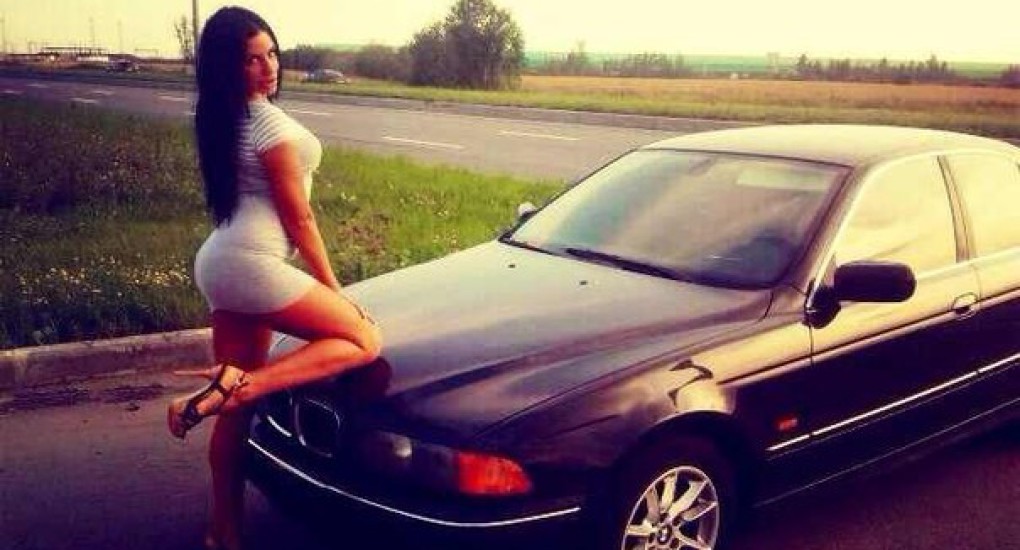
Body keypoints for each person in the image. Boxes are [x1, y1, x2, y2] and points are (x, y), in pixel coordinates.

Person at [166, 7, 382, 550]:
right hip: (250, 263)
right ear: (228, 67)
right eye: (251, 60)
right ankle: (237, 385)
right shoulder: (268, 125)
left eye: (271, 54)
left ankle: (224, 533)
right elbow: (300, 219)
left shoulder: (226, 118)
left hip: (223, 261)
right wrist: (333, 287)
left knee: (234, 416)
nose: (268, 68)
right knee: (363, 338)